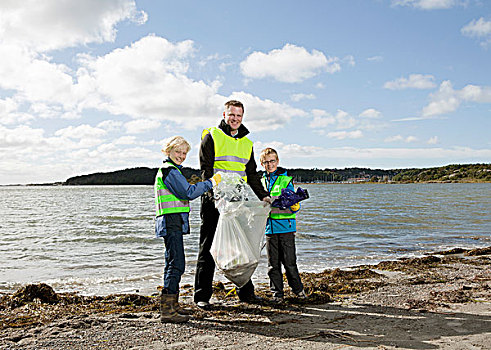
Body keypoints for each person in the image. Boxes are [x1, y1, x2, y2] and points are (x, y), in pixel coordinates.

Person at [194, 100, 271, 309]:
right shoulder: (212, 137)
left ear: (242, 117)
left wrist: (263, 196)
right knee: (208, 247)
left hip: (237, 201)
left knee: (241, 246)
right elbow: (206, 172)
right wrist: (214, 196)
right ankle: (202, 295)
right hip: (214, 200)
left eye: (239, 115)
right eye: (231, 115)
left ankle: (246, 293)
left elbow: (252, 175)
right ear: (224, 114)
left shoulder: (247, 144)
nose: (235, 119)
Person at [154, 136, 222, 323]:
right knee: (176, 264)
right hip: (171, 221)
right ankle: (168, 310)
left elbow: (185, 190)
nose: (182, 156)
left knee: (173, 262)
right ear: (168, 151)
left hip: (172, 221)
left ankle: (172, 306)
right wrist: (212, 182)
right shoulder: (169, 171)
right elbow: (188, 193)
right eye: (178, 152)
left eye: (184, 153)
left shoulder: (172, 171)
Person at [259, 147, 307, 303]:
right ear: (261, 164)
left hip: (286, 227)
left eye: (272, 161)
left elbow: (294, 204)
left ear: (277, 161)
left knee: (289, 262)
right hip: (269, 228)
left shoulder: (286, 179)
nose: (269, 164)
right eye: (266, 162)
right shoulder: (260, 182)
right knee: (273, 265)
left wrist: (295, 205)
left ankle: (299, 291)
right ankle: (277, 294)